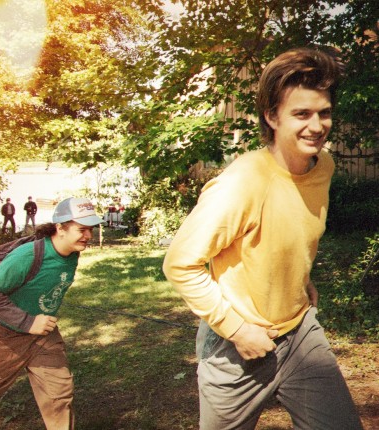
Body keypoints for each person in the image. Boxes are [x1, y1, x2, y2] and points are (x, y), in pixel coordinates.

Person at [163, 47, 363, 429]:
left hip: (300, 333)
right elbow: (179, 264)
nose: (317, 126)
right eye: (301, 114)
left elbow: (288, 230)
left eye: (324, 113)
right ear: (272, 116)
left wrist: (300, 279)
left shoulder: (323, 166)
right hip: (235, 348)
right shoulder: (243, 182)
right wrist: (238, 330)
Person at [0, 197, 104, 430]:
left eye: (90, 229)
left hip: (43, 335)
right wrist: (28, 321)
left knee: (59, 394)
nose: (88, 236)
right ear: (60, 228)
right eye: (81, 230)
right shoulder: (27, 256)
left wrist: (36, 320)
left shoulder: (72, 253)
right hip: (4, 336)